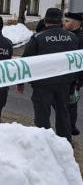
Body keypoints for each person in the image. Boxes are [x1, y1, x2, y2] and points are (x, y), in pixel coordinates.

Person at [17, 8, 79, 142]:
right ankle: (65, 144)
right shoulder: (72, 38)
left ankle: (45, 143)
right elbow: (76, 61)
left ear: (45, 21)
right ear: (61, 21)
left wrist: (20, 82)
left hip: (43, 84)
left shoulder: (38, 38)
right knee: (63, 113)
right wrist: (75, 83)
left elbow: (25, 62)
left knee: (42, 115)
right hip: (65, 83)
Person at [63, 12, 83, 135]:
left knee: (70, 104)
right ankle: (70, 127)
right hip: (70, 76)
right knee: (69, 104)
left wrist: (78, 80)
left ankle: (69, 129)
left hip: (74, 77)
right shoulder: (70, 35)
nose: (64, 23)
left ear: (75, 23)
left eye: (67, 21)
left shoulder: (79, 38)